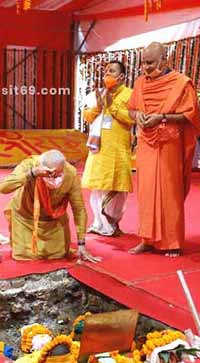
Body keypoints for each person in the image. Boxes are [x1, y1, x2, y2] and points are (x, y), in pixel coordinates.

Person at [128, 42, 200, 257]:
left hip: (169, 142)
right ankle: (146, 239)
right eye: (143, 63)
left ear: (164, 60)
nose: (146, 67)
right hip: (146, 144)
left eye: (150, 62)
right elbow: (132, 109)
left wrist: (163, 117)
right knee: (146, 193)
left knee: (170, 192)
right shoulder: (140, 82)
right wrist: (137, 116)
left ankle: (172, 241)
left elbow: (190, 114)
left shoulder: (181, 83)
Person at [0, 150, 100, 263]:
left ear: (63, 166)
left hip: (54, 220)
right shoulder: (30, 165)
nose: (52, 177)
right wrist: (32, 174)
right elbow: (3, 188)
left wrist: (81, 244)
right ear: (41, 167)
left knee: (59, 255)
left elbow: (79, 209)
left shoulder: (70, 173)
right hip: (26, 219)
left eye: (57, 174)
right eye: (48, 173)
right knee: (27, 256)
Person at [82, 61, 134, 236]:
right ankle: (99, 224)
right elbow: (88, 117)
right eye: (105, 72)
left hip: (117, 149)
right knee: (97, 187)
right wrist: (98, 106)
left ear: (122, 76)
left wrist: (112, 106)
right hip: (99, 150)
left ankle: (112, 224)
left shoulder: (130, 95)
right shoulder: (99, 94)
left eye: (111, 71)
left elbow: (131, 119)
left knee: (117, 188)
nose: (107, 75)